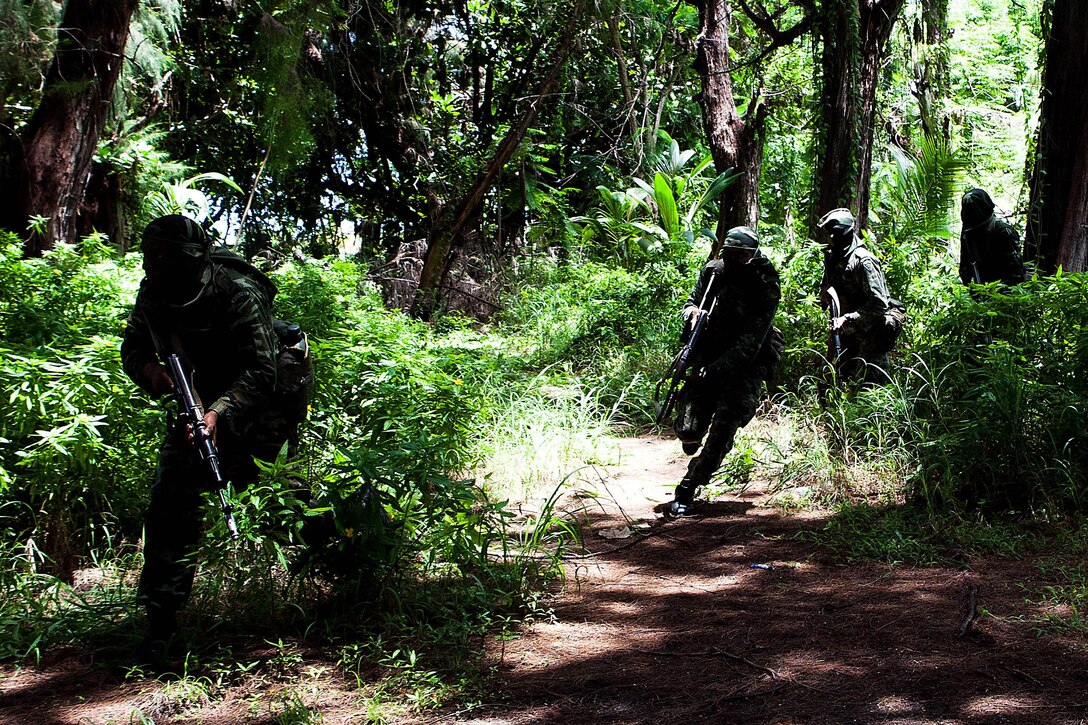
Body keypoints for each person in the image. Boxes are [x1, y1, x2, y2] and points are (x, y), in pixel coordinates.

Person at [121, 214, 291, 665]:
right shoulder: (153, 291)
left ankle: (352, 569)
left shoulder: (236, 293)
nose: (158, 266)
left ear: (194, 259)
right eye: (152, 257)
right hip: (192, 399)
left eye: (169, 258)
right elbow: (133, 348)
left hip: (257, 400)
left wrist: (218, 412)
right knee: (171, 504)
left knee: (275, 493)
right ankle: (161, 625)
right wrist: (154, 375)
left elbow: (262, 371)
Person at [671, 226, 781, 516]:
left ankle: (689, 485)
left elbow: (752, 341)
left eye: (740, 256)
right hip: (708, 352)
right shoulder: (713, 271)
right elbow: (692, 300)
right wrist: (692, 313)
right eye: (729, 254)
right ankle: (691, 438)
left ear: (751, 256)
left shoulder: (765, 282)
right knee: (688, 428)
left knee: (723, 429)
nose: (733, 261)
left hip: (746, 364)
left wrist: (713, 372)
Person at [817, 208, 900, 386]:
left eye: (835, 235)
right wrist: (824, 296)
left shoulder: (864, 261)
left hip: (870, 330)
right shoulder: (834, 258)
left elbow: (879, 303)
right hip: (845, 332)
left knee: (873, 386)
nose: (831, 239)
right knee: (839, 380)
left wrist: (848, 318)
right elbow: (827, 288)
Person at [959, 188, 1026, 287]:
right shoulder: (968, 232)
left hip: (1004, 288)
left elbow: (1015, 272)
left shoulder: (1003, 231)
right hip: (982, 287)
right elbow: (965, 267)